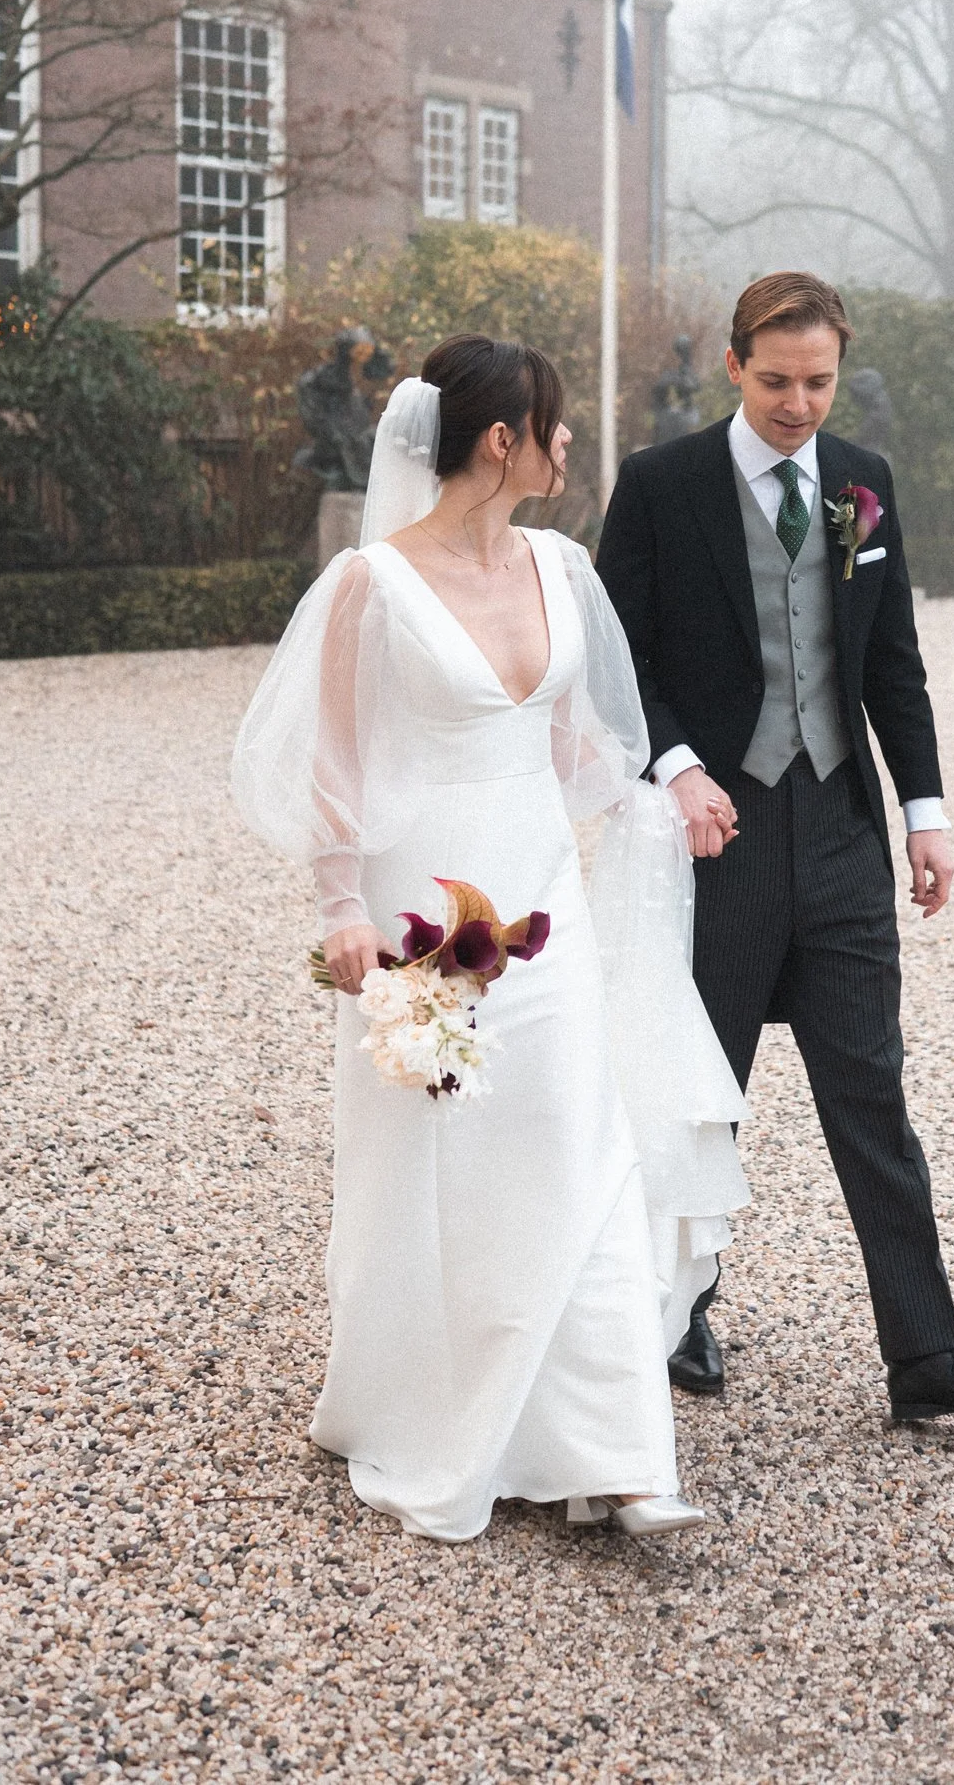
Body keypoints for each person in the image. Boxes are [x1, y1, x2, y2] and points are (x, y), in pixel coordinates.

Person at [231, 335, 747, 1542]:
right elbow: (332, 759)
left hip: (544, 906)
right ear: (502, 440)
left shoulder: (563, 568)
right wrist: (339, 909)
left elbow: (581, 746)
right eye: (557, 426)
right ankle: (426, 1405)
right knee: (439, 1167)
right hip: (424, 915)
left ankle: (618, 1458)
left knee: (581, 1145)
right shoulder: (372, 583)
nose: (572, 446)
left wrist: (665, 791)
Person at [596, 272, 954, 1424]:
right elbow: (614, 661)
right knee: (704, 1094)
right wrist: (676, 765)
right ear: (733, 365)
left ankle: (925, 1357)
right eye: (776, 380)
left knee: (871, 1091)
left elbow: (889, 658)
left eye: (818, 382)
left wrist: (926, 812)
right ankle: (676, 1309)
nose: (798, 403)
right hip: (717, 836)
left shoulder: (864, 484)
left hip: (842, 832)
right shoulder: (660, 486)